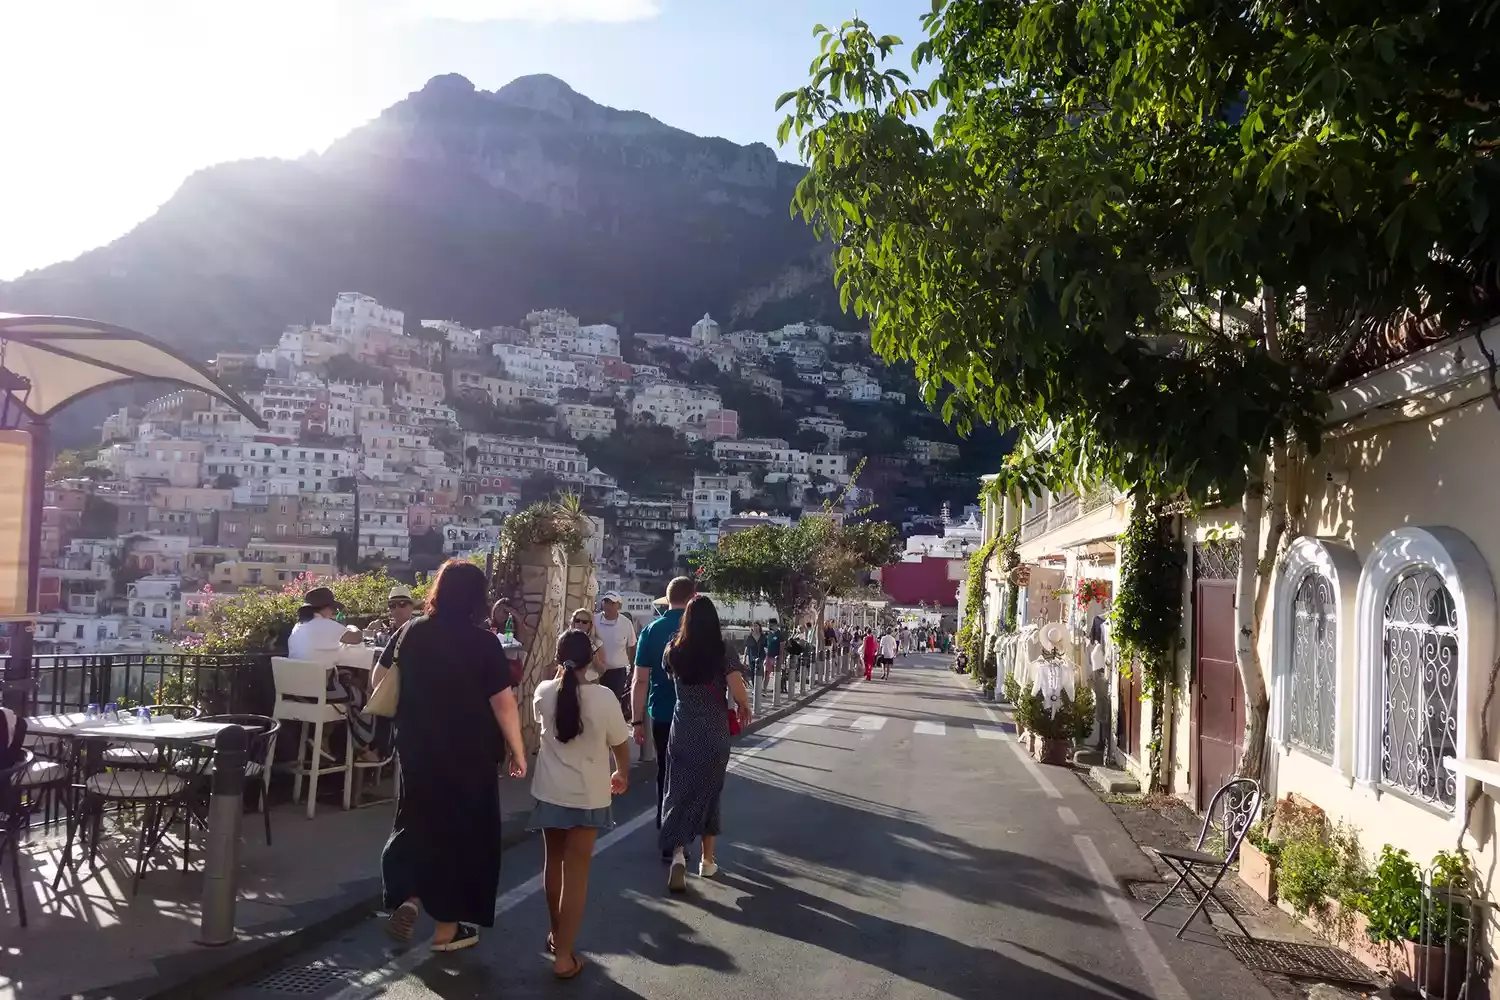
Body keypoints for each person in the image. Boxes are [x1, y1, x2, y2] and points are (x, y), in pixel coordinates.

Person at [378, 560, 527, 953]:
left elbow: (379, 679)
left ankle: (408, 897)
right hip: (470, 752)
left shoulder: (410, 630)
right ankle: (447, 930)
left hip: (416, 745)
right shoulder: (483, 642)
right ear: (477, 598)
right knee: (464, 835)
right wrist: (517, 750)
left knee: (416, 818)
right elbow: (503, 703)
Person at [528, 629, 631, 980]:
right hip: (587, 795)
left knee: (552, 866)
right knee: (577, 876)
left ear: (558, 659)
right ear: (590, 660)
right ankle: (564, 957)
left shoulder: (543, 692)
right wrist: (621, 773)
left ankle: (557, 938)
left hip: (549, 791)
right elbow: (620, 743)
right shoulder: (604, 697)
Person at [657, 595, 751, 892]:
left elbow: (667, 675)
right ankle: (707, 861)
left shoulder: (673, 650)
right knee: (710, 794)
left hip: (682, 729)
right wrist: (744, 706)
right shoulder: (724, 651)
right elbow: (738, 692)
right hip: (714, 732)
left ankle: (678, 855)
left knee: (679, 791)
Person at [632, 576, 693, 849]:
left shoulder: (651, 630)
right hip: (694, 713)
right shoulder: (699, 629)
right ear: (693, 596)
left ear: (667, 598)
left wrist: (636, 721)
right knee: (689, 771)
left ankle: (665, 822)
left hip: (661, 713)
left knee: (664, 771)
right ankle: (683, 828)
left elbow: (640, 680)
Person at [287, 586, 380, 761]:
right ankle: (363, 749)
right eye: (332, 609)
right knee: (363, 699)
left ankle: (322, 741)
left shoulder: (298, 627)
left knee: (346, 684)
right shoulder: (326, 625)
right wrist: (352, 626)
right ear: (324, 608)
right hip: (320, 693)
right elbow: (356, 637)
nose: (333, 612)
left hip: (297, 694)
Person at [593, 593, 636, 718]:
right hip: (596, 670)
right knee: (596, 704)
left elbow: (632, 646)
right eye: (606, 602)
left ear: (619, 605)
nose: (608, 606)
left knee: (613, 704)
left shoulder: (626, 623)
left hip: (617, 672)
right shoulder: (594, 620)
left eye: (612, 603)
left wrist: (632, 669)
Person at [569, 609, 607, 678]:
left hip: (590, 682)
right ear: (573, 622)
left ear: (590, 625)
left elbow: (602, 670)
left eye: (584, 622)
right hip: (570, 681)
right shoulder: (566, 641)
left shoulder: (597, 644)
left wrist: (595, 660)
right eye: (577, 621)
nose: (580, 624)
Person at [744, 622, 767, 690]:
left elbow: (766, 647)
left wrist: (766, 657)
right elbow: (747, 647)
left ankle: (759, 685)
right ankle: (755, 687)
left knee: (761, 672)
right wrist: (744, 658)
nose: (755, 627)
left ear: (759, 627)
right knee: (752, 672)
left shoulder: (763, 637)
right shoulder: (750, 637)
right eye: (754, 626)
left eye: (756, 626)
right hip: (752, 656)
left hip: (761, 656)